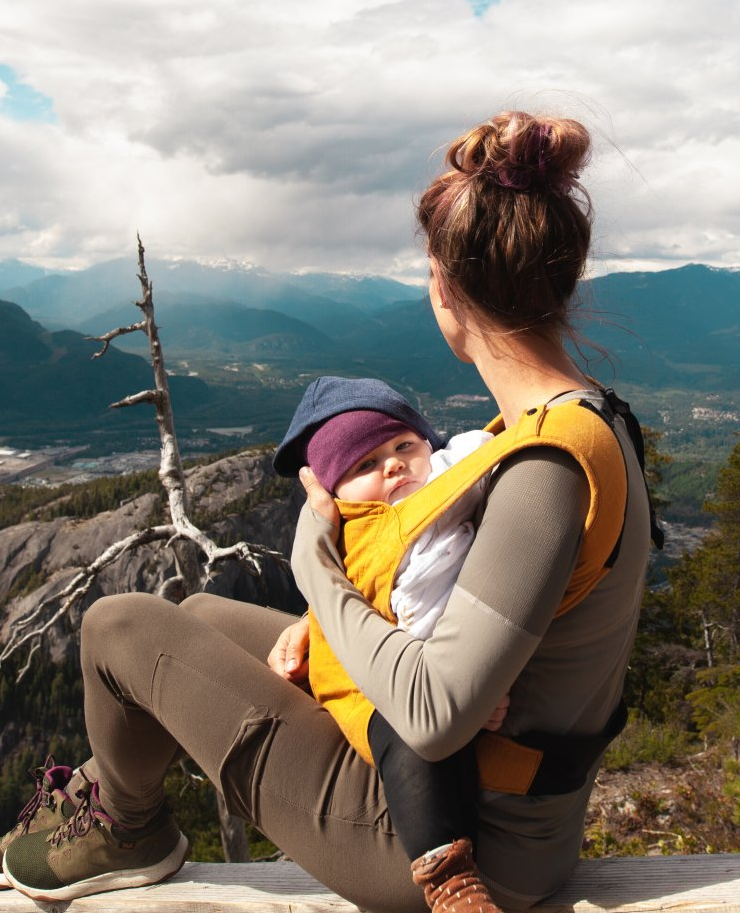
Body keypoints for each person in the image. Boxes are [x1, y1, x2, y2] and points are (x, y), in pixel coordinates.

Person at [1, 110, 651, 913]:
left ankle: (127, 827)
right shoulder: (574, 424)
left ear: (446, 290)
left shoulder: (546, 470)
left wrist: (319, 564)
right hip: (495, 805)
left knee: (118, 627)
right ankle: (103, 801)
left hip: (454, 842)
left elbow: (437, 714)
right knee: (200, 611)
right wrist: (337, 613)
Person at [273, 376, 505, 912]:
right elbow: (362, 597)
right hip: (372, 683)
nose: (394, 465)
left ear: (430, 444)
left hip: (455, 661)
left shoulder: (453, 475)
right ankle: (449, 879)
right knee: (412, 741)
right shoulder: (359, 533)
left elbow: (492, 447)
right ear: (334, 493)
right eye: (365, 464)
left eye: (405, 446)